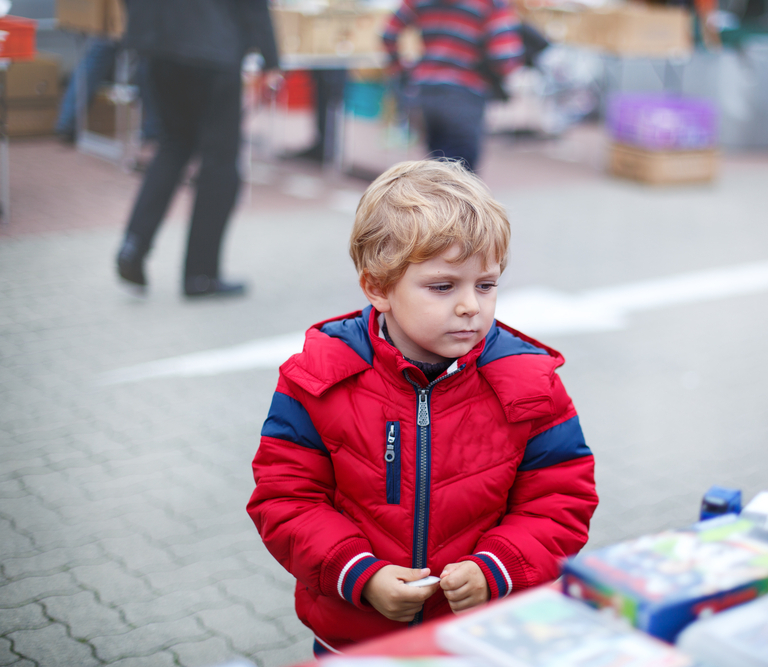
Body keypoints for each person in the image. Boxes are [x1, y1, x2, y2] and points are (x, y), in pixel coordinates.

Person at [246, 159, 598, 654]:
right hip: (357, 637)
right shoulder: (319, 378)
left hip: (481, 636)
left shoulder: (528, 383)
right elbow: (285, 499)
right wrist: (360, 575)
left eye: (486, 284)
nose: (470, 306)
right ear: (377, 287)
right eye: (442, 286)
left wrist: (495, 567)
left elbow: (561, 500)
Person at [114, 0, 280, 297]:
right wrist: (270, 59)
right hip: (213, 50)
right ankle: (200, 275)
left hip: (159, 46)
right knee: (220, 165)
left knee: (172, 146)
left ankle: (133, 245)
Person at [382, 0, 525, 172]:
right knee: (462, 177)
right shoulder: (491, 4)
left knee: (440, 169)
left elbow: (388, 35)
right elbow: (504, 57)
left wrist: (403, 70)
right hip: (465, 94)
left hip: (426, 92)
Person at [286, 69, 349, 164]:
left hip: (332, 72)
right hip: (326, 72)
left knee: (330, 100)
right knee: (324, 97)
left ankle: (327, 149)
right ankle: (323, 147)